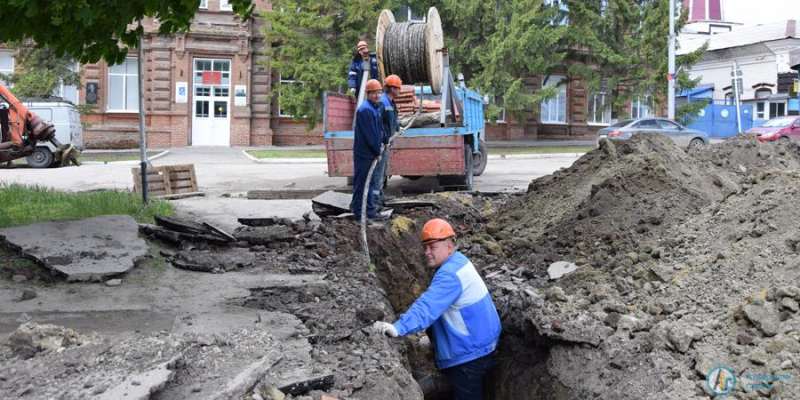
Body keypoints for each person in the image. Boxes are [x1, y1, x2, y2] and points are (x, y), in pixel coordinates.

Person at [373, 218, 502, 400]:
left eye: (432, 247)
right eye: (425, 247)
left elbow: (428, 306)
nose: (427, 252)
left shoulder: (449, 275)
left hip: (471, 354)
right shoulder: (459, 261)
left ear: (449, 246)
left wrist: (399, 327)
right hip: (484, 342)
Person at [350, 79, 387, 221]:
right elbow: (370, 135)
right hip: (365, 154)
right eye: (374, 93)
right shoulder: (365, 109)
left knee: (370, 184)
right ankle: (360, 215)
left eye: (379, 93)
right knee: (362, 184)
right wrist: (377, 151)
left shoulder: (375, 108)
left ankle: (370, 212)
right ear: (368, 94)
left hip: (371, 153)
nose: (377, 96)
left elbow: (379, 130)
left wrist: (385, 139)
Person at [371, 74, 402, 205]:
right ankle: (375, 199)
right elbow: (376, 123)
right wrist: (382, 139)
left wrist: (398, 128)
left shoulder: (391, 103)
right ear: (392, 89)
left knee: (383, 170)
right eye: (399, 88)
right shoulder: (383, 102)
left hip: (386, 142)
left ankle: (380, 194)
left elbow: (392, 120)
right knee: (378, 171)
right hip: (381, 143)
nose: (400, 90)